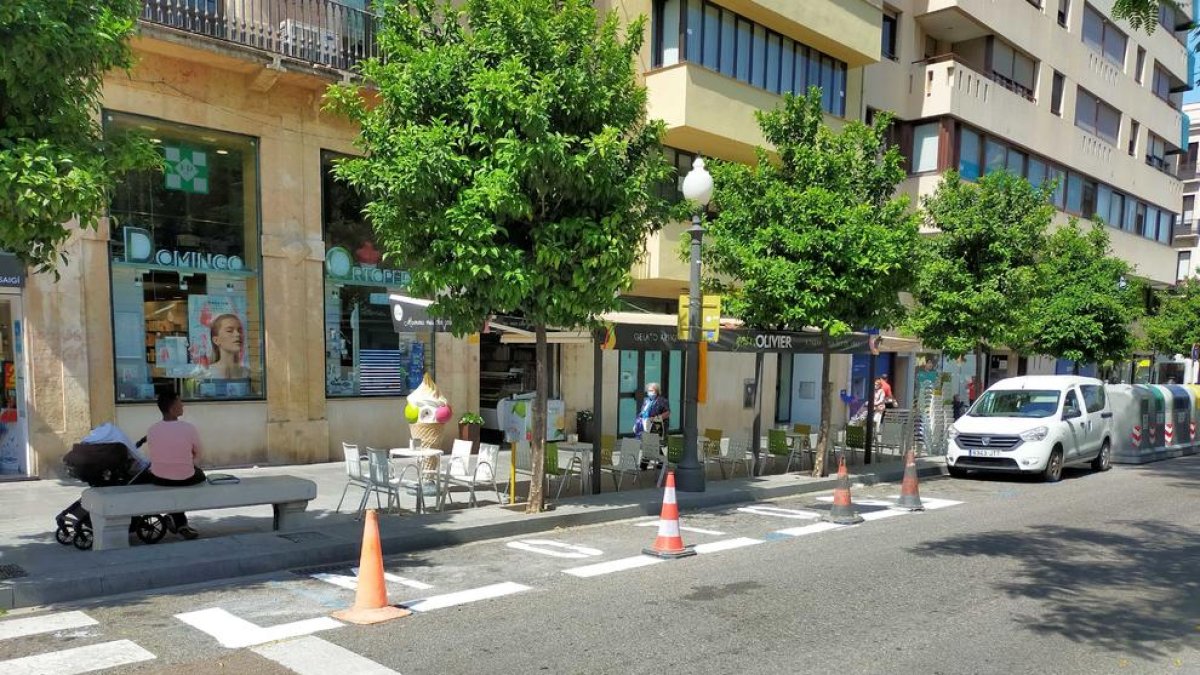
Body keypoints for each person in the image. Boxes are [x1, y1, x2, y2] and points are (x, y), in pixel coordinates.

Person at [146, 391, 205, 540]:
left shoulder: (152, 430)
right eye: (179, 402)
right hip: (185, 477)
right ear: (172, 409)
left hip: (158, 477)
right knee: (199, 475)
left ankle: (178, 521)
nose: (183, 404)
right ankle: (180, 522)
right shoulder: (188, 428)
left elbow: (153, 454)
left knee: (172, 480)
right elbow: (199, 453)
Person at [207, 314, 249, 380]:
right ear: (216, 340)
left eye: (240, 330)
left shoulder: (248, 374)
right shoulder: (206, 374)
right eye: (229, 331)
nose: (238, 334)